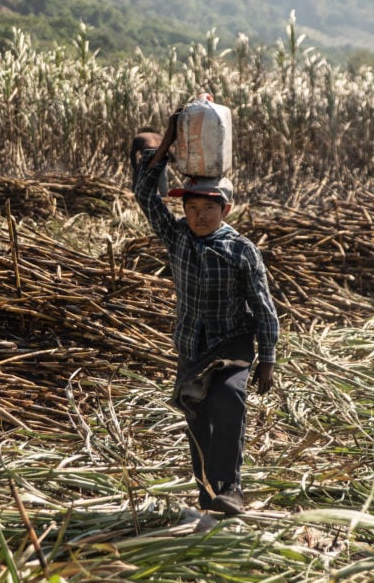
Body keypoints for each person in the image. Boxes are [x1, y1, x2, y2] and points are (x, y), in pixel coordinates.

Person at [131, 109, 280, 515]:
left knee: (229, 401)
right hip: (191, 344)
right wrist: (164, 145)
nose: (199, 216)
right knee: (197, 419)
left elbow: (264, 306)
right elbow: (145, 196)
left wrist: (266, 359)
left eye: (208, 209)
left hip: (232, 340)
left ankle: (230, 488)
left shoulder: (241, 250)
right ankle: (208, 496)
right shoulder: (177, 235)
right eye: (192, 208)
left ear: (225, 210)